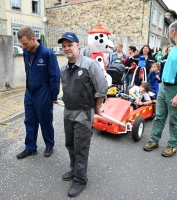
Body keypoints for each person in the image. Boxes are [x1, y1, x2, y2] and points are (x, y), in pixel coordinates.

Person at [59, 32, 108, 197]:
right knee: (70, 144)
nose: (67, 49)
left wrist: (98, 107)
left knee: (81, 148)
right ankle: (74, 170)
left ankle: (80, 179)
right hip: (68, 112)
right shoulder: (64, 68)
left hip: (83, 114)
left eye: (70, 45)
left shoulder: (90, 65)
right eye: (64, 46)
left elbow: (102, 88)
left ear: (77, 45)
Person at [143, 21, 177, 157]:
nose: (168, 34)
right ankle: (154, 140)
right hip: (164, 88)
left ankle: (173, 145)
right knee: (159, 117)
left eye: (168, 32)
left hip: (175, 90)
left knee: (175, 120)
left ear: (173, 32)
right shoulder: (174, 49)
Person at [16, 26, 60, 159]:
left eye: (25, 43)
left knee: (45, 120)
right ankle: (30, 148)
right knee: (29, 120)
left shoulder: (47, 54)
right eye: (21, 44)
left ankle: (49, 145)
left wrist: (53, 95)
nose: (23, 47)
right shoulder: (26, 52)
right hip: (29, 91)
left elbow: (55, 76)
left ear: (33, 39)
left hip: (43, 92)